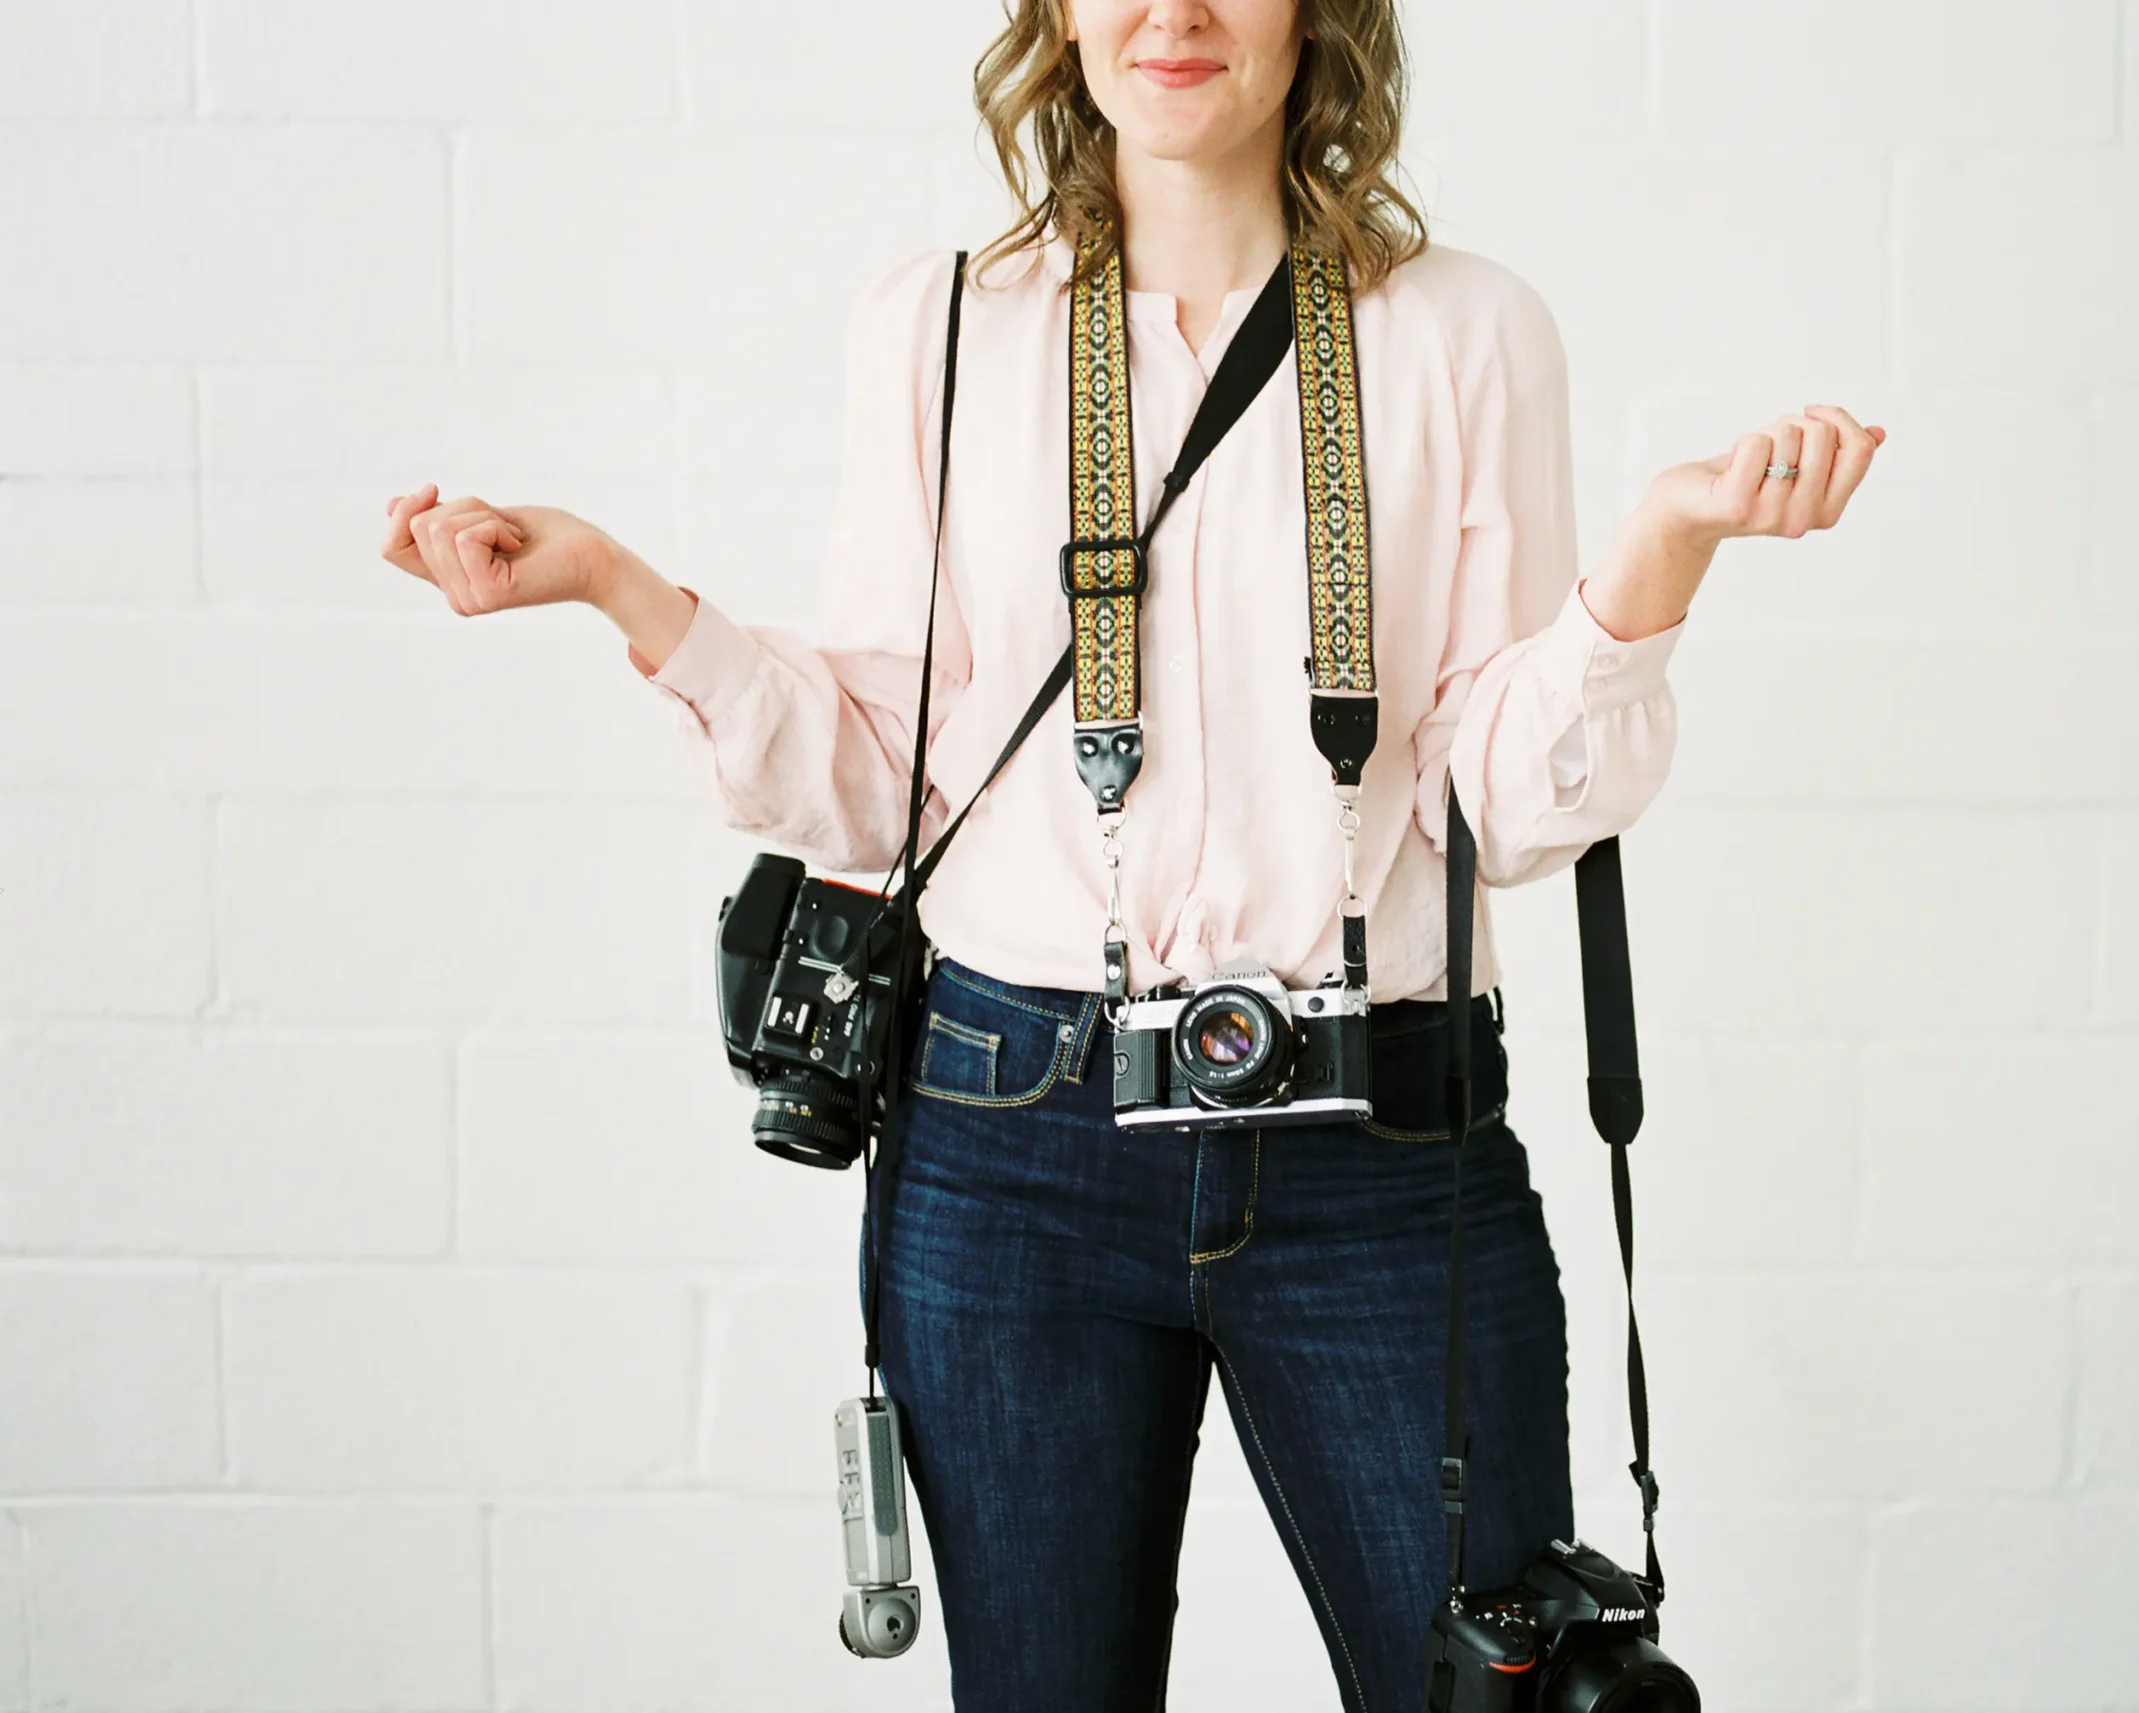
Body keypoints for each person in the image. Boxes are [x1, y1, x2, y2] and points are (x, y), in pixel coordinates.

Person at [377, 2, 1883, 1707]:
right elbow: (880, 787)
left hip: (1386, 1152)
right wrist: (612, 586)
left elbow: (1500, 807)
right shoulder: (941, 328)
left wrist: (1656, 565)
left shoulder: (1466, 331)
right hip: (1015, 1141)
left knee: (1491, 1692)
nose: (1173, 15)